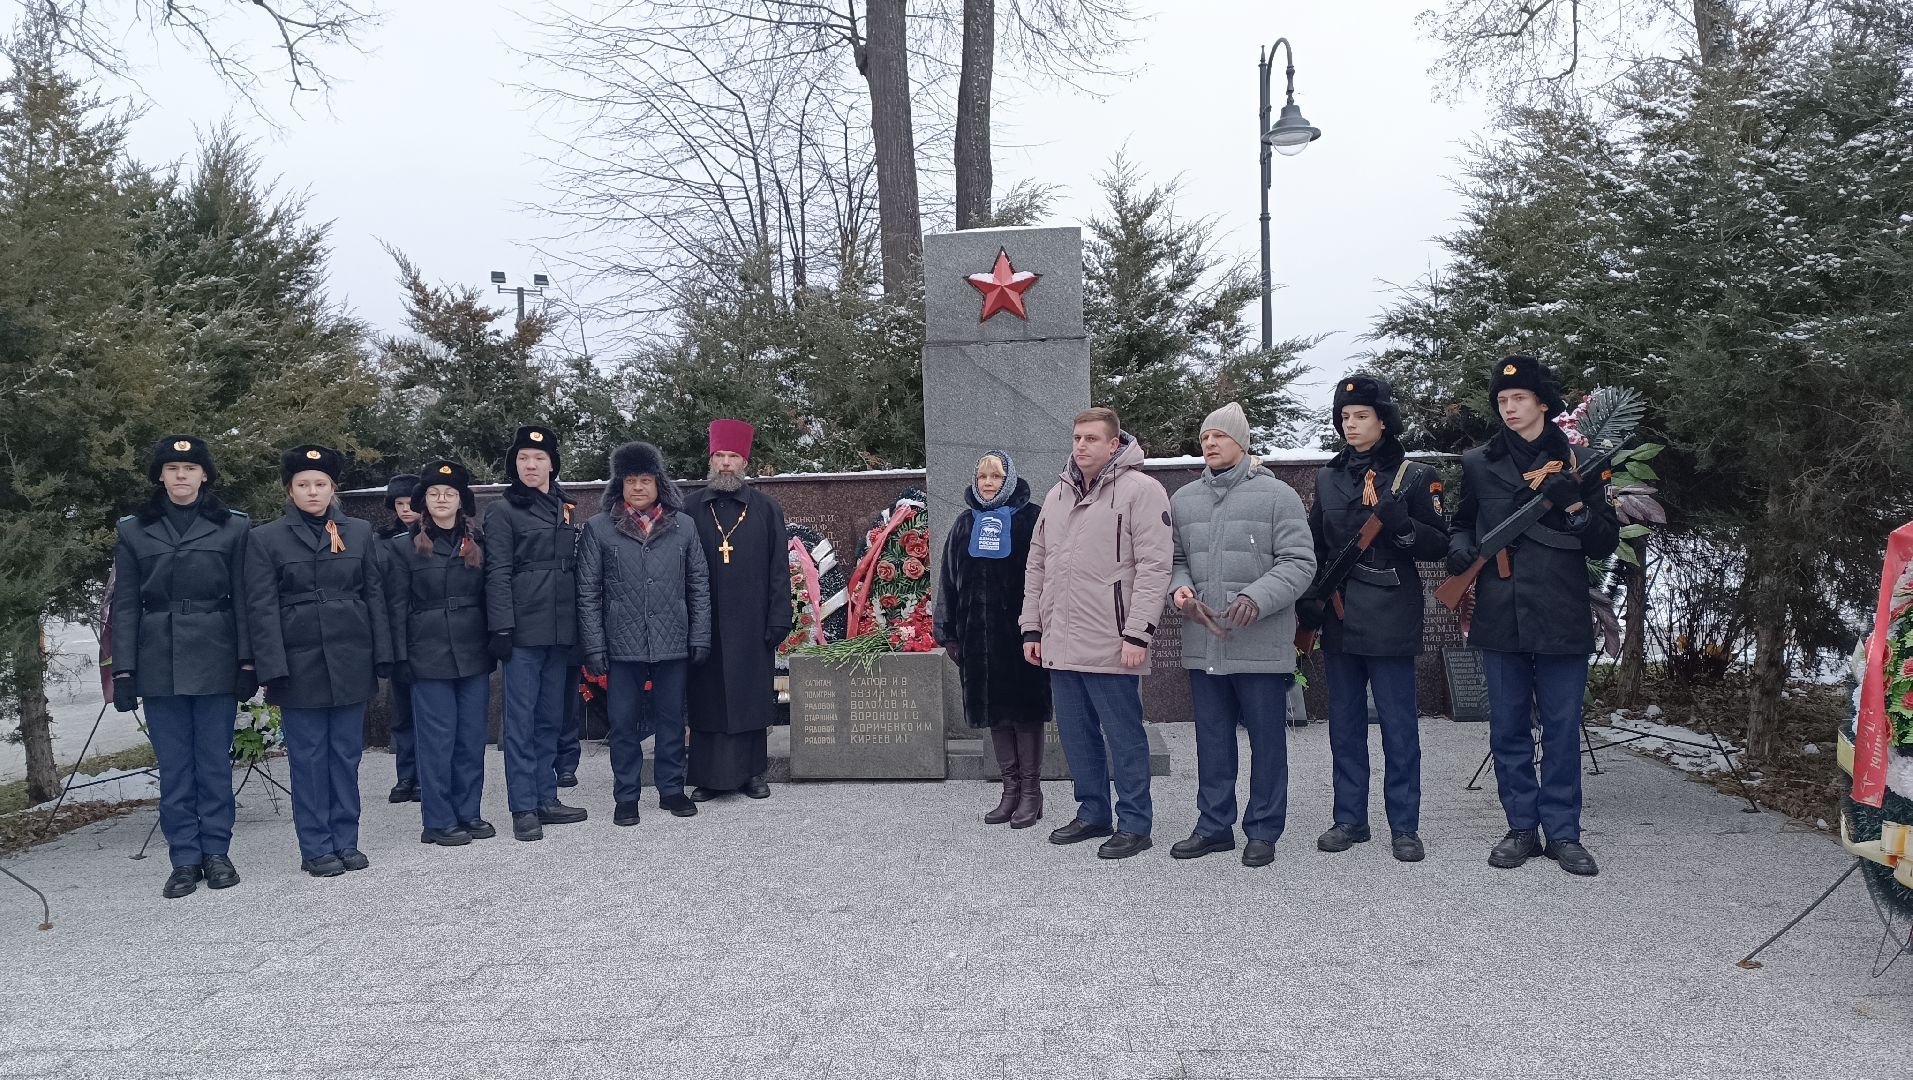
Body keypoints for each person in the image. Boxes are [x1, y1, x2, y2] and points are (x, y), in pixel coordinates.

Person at [1447, 355, 1619, 877]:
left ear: (1543, 403)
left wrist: (1574, 507)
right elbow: (1461, 524)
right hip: (1501, 612)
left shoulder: (1581, 461)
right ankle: (1521, 826)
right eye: (1502, 400)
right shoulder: (1479, 462)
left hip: (1562, 609)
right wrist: (1459, 551)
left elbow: (1603, 540)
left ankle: (1564, 833)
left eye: (1519, 399)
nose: (1509, 408)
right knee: (1508, 728)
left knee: (1564, 727)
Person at [1165, 403, 1316, 869]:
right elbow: (1173, 560)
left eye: (1220, 436)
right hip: (1205, 644)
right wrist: (1180, 590)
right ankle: (1214, 827)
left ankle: (1264, 829)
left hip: (1261, 643)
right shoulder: (1184, 499)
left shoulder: (1278, 496)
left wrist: (1257, 595)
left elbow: (1299, 562)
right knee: (1211, 740)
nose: (1210, 443)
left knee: (1267, 742)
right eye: (1205, 436)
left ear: (1243, 443)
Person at [1020, 407, 1173, 860]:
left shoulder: (1142, 491)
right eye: (1076, 438)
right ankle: (1092, 812)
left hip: (1113, 637)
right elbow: (1038, 565)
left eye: (1091, 438)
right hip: (1061, 639)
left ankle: (1135, 823)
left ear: (1114, 444)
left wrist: (1138, 633)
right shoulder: (1057, 495)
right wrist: (1032, 626)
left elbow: (1154, 566)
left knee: (1123, 734)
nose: (1081, 445)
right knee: (1075, 732)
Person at [1306, 377, 1447, 863]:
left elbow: (1441, 544)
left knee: (1398, 727)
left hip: (1391, 612)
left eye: (1361, 416)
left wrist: (1405, 526)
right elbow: (1316, 547)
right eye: (1345, 417)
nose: (1351, 424)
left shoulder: (1414, 475)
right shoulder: (1328, 478)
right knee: (1343, 724)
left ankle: (1404, 825)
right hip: (1342, 616)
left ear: (1383, 421)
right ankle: (1350, 818)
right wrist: (1311, 598)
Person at [110, 435, 254, 898]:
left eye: (190, 469)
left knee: (212, 762)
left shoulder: (233, 528)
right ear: (160, 476)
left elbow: (245, 602)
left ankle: (217, 853)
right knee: (174, 767)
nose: (181, 476)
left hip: (215, 651)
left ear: (204, 475)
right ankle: (184, 860)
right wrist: (124, 671)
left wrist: (247, 661)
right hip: (158, 660)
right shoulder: (134, 530)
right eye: (171, 469)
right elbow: (126, 605)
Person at [245, 445, 390, 878]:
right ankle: (316, 846)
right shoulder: (265, 538)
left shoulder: (359, 532)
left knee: (346, 756)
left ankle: (347, 839)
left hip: (349, 657)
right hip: (299, 663)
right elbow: (261, 607)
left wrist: (383, 655)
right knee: (308, 759)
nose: (313, 492)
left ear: (334, 488)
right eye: (303, 484)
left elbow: (375, 595)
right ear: (290, 490)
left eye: (321, 484)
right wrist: (271, 666)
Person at [579, 442, 712, 826]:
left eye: (645, 480)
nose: (638, 487)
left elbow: (698, 583)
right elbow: (587, 592)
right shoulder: (599, 529)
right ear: (619, 484)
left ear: (659, 484)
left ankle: (671, 789)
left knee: (672, 718)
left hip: (673, 639)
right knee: (623, 723)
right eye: (630, 480)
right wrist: (594, 645)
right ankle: (626, 796)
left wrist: (699, 635)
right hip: (622, 644)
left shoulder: (683, 526)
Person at [482, 425, 589, 841]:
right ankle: (523, 806)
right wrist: (503, 627)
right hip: (524, 631)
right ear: (515, 464)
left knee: (549, 719)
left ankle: (547, 797)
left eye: (539, 458)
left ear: (552, 464)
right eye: (524, 458)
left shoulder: (564, 505)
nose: (531, 465)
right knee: (520, 724)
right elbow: (498, 573)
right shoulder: (504, 511)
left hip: (559, 631)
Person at [934, 450, 1051, 828]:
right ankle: (1010, 791)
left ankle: (1031, 794)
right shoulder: (965, 523)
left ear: (1009, 480)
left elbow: (1046, 579)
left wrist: (1040, 628)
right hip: (977, 639)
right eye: (982, 476)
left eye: (995, 477)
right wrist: (949, 632)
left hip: (1020, 639)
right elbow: (948, 580)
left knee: (1025, 714)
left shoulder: (1032, 519)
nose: (987, 483)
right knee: (996, 715)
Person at [387, 460, 496, 847]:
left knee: (470, 738)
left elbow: (490, 596)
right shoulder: (403, 548)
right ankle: (437, 819)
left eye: (449, 494)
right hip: (427, 654)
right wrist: (399, 657)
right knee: (436, 741)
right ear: (423, 501)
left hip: (471, 651)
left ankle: (469, 812)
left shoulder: (478, 543)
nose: (441, 500)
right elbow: (396, 606)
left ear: (461, 500)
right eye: (434, 494)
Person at [687, 419, 793, 801]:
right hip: (706, 622)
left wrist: (779, 616)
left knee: (750, 696)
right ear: (711, 460)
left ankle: (753, 773)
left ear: (744, 462)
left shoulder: (765, 509)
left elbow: (779, 566)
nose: (726, 464)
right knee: (707, 697)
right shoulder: (690, 508)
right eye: (720, 456)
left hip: (752, 621)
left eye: (733, 456)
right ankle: (707, 777)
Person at [379, 473, 422, 804]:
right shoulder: (381, 540)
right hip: (397, 630)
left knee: (428, 714)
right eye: (399, 504)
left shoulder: (430, 536)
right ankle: (405, 774)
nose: (405, 510)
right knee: (402, 711)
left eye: (410, 503)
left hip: (426, 633)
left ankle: (424, 773)